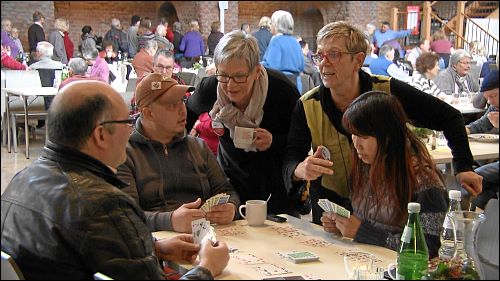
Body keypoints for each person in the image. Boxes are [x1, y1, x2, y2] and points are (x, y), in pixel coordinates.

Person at [1, 80, 230, 279]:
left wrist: (155, 248)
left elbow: (78, 250)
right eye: (126, 123)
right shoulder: (103, 204)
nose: (131, 131)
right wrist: (207, 268)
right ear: (101, 135)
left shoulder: (19, 182)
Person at [283, 21, 483, 225]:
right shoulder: (308, 105)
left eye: (333, 54)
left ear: (358, 60)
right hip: (331, 211)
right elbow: (291, 157)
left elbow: (450, 117)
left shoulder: (388, 92)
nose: (324, 63)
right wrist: (299, 170)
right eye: (319, 55)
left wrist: (463, 166)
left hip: (385, 211)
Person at [187, 30, 302, 217]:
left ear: (256, 71)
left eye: (239, 77)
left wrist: (274, 141)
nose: (230, 86)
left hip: (275, 186)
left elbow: (300, 142)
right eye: (223, 75)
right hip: (230, 184)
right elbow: (187, 113)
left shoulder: (281, 91)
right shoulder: (211, 88)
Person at [321, 91, 447, 257]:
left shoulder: (425, 181)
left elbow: (429, 249)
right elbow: (366, 220)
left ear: (387, 136)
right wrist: (341, 225)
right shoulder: (365, 166)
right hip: (366, 262)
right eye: (353, 135)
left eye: (364, 136)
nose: (356, 144)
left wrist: (363, 233)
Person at [116, 73, 240, 233]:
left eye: (182, 100)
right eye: (171, 105)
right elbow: (125, 217)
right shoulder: (123, 154)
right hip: (156, 248)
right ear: (148, 113)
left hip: (207, 238)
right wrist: (170, 221)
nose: (183, 110)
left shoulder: (198, 146)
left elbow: (227, 191)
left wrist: (231, 208)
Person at [465, 70, 499, 210]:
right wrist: (460, 131)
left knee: (473, 178)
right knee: (473, 172)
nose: (490, 101)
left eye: (493, 96)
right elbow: (481, 124)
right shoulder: (495, 106)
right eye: (487, 98)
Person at [262, 10, 304, 93]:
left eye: (271, 23)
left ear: (277, 25)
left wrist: (258, 64)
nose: (270, 26)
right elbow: (301, 66)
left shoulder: (276, 40)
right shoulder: (295, 41)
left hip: (280, 85)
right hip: (297, 85)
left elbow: (272, 66)